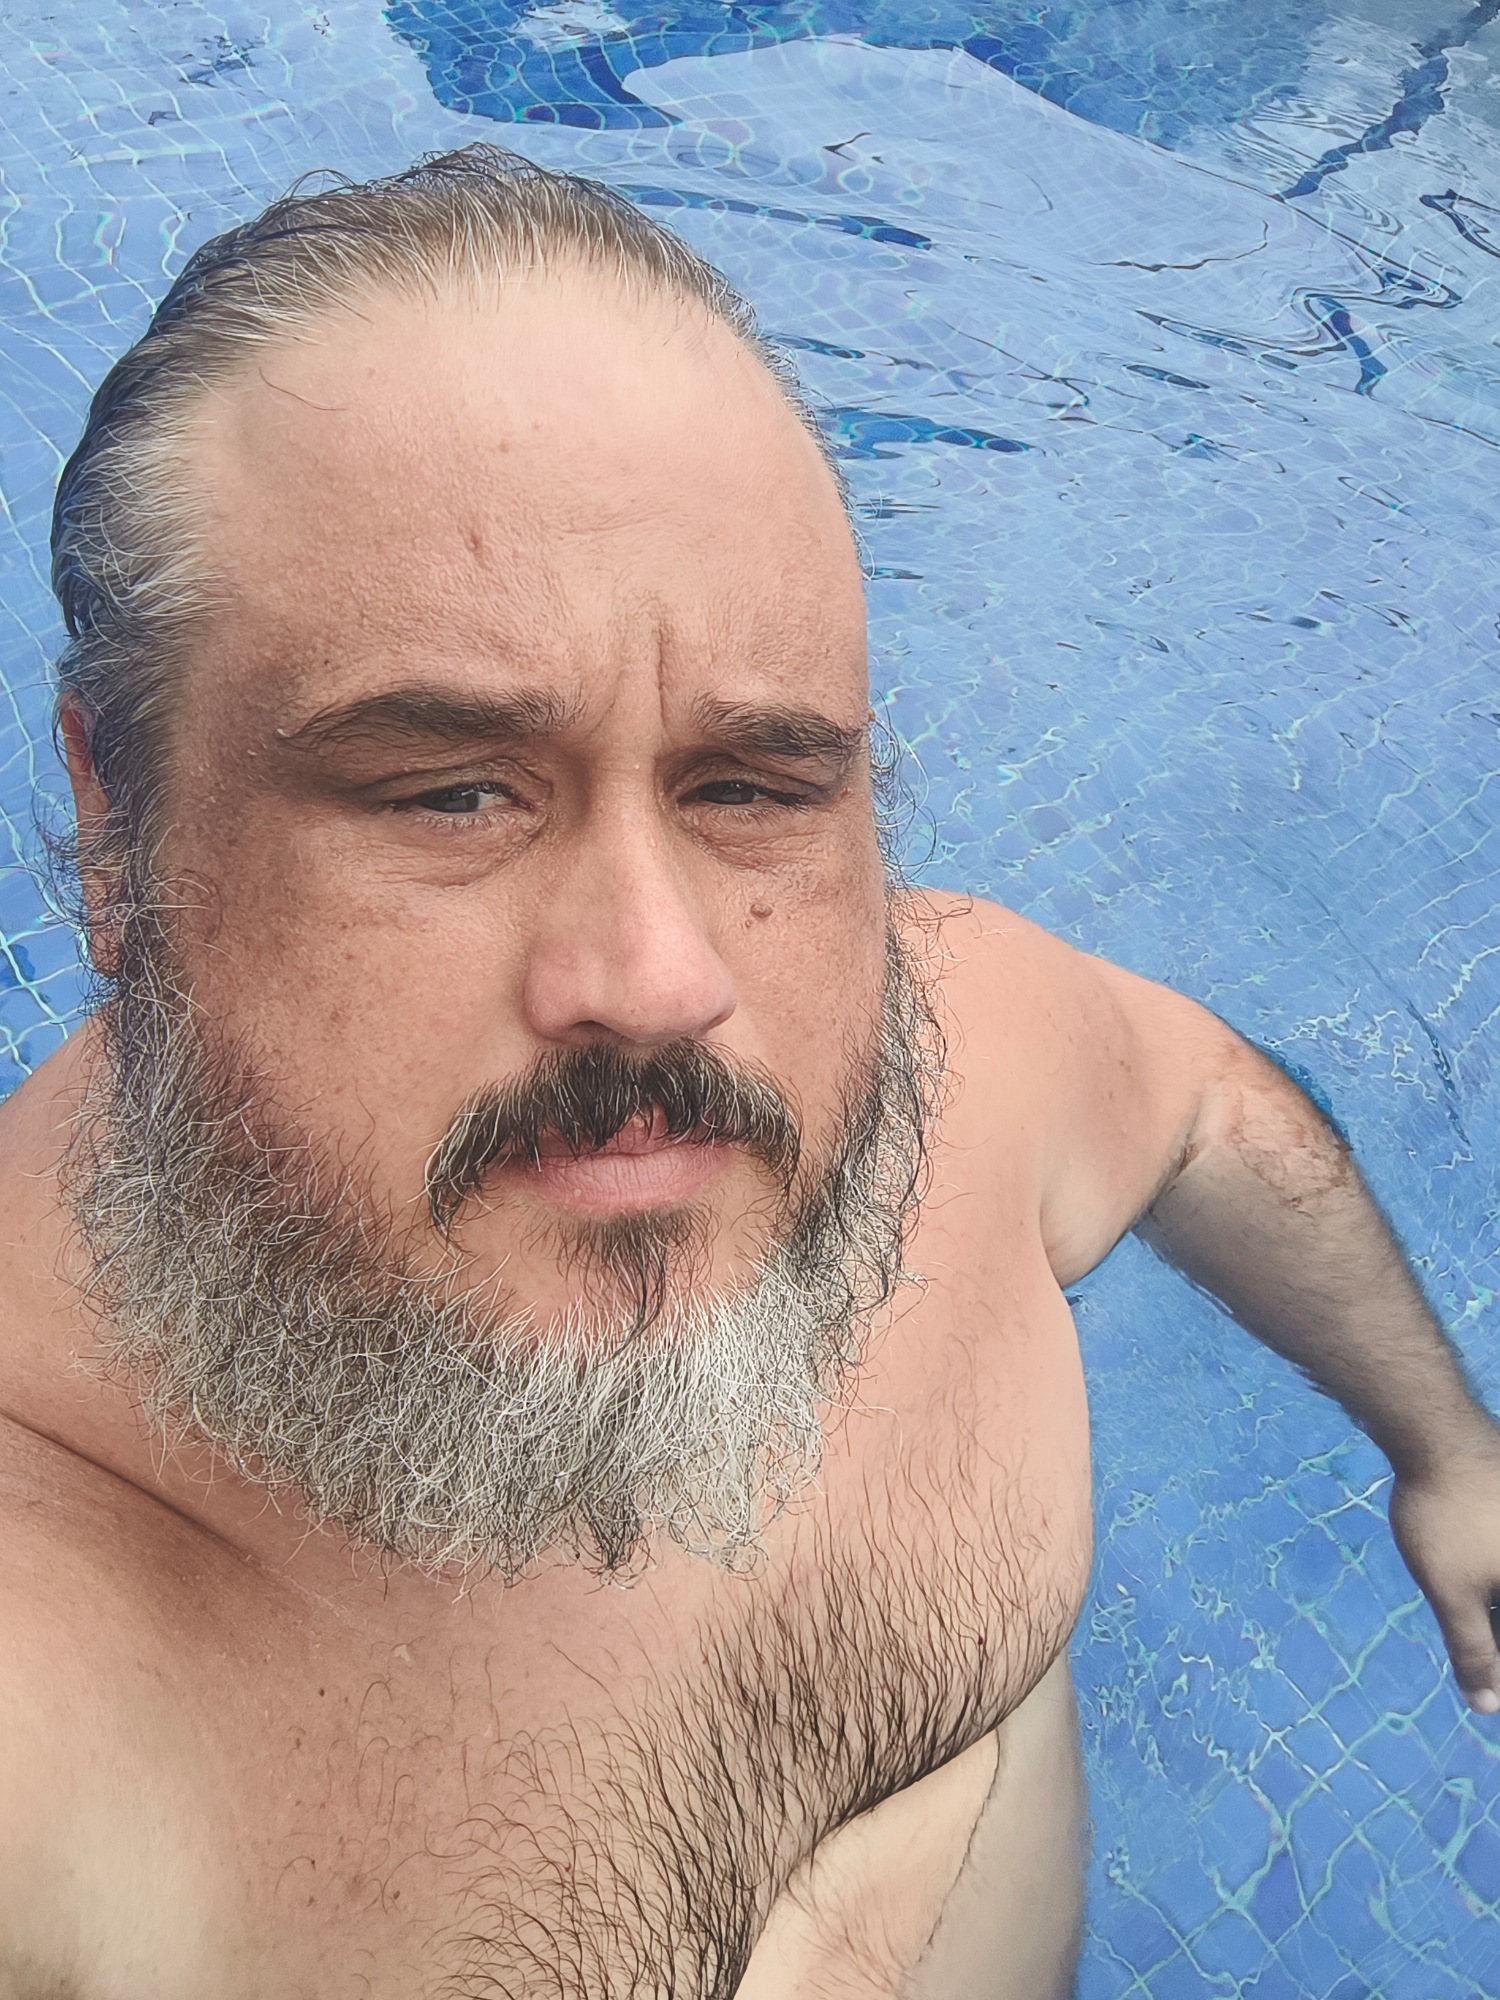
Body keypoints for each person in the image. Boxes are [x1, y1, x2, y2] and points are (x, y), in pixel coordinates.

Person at [1, 143, 1497, 2000]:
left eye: (750, 785)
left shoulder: (964, 1051)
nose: (660, 981)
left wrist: (1448, 1452)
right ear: (116, 826)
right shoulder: (58, 1644)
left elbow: (1206, 1107)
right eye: (452, 792)